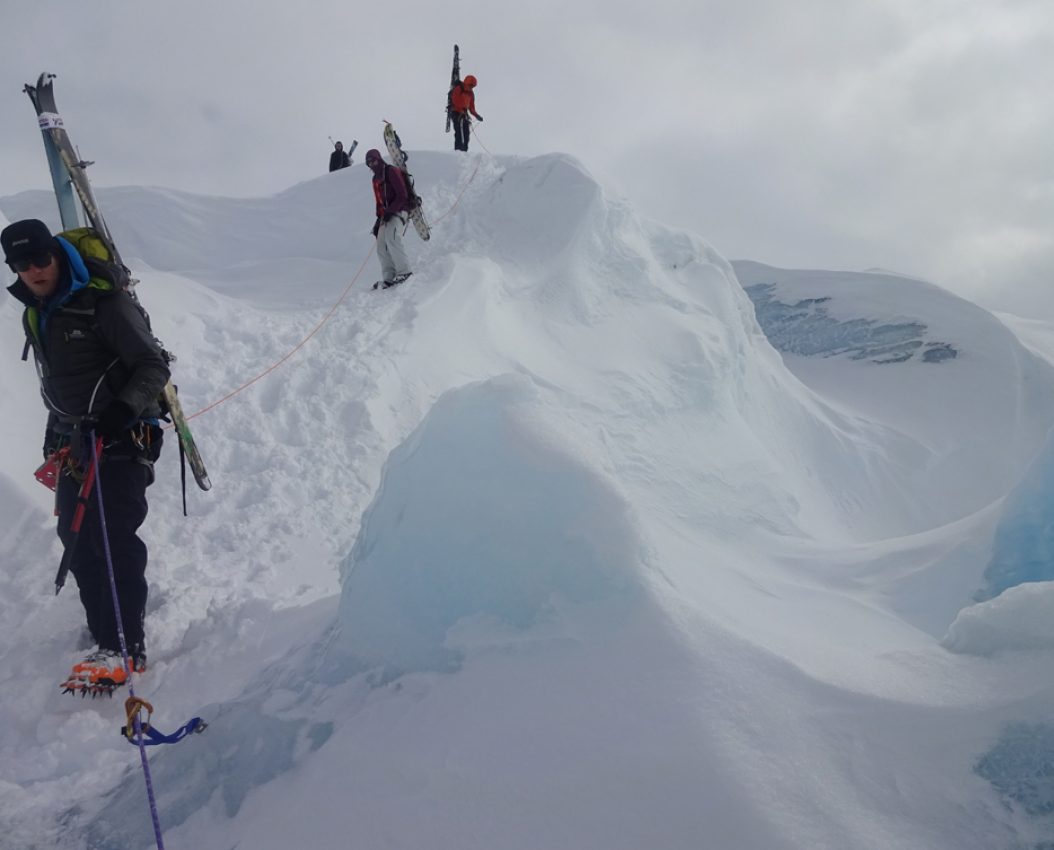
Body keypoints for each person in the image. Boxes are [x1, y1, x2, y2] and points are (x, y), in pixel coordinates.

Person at [2, 219, 169, 694]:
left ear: (55, 254)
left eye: (39, 259)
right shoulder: (37, 312)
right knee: (76, 541)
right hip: (74, 442)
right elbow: (57, 385)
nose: (33, 270)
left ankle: (124, 645)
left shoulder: (105, 303)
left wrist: (122, 410)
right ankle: (103, 631)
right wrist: (53, 437)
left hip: (122, 435)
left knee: (112, 535)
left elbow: (153, 365)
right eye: (20, 263)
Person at [365, 149, 413, 289]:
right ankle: (389, 277)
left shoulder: (391, 171)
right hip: (386, 215)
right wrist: (378, 220)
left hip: (400, 210)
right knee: (381, 245)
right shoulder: (375, 179)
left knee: (392, 237)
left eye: (373, 160)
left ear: (379, 159)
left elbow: (402, 195)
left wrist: (390, 211)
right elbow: (379, 202)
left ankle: (405, 272)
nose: (372, 164)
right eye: (369, 163)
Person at [449, 74, 483, 152]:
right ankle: (458, 151)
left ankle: (464, 152)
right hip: (456, 112)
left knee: (466, 134)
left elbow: (471, 108)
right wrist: (461, 110)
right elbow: (455, 100)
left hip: (464, 114)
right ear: (466, 83)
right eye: (471, 85)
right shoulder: (458, 89)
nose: (471, 88)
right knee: (458, 132)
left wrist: (477, 115)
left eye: (473, 86)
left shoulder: (471, 94)